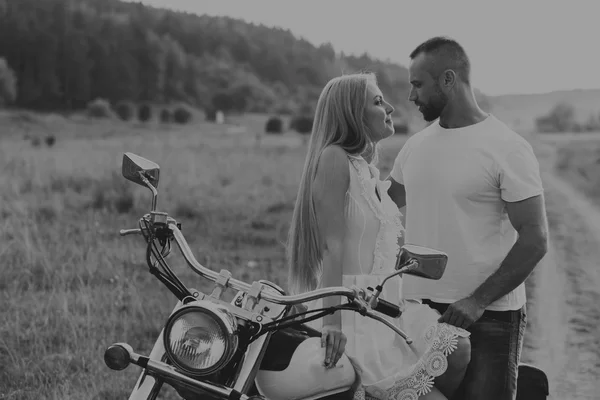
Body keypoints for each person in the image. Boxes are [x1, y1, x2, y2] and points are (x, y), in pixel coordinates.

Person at [286, 72, 471, 400]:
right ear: (351, 114)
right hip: (353, 311)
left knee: (459, 349)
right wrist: (331, 323)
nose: (389, 107)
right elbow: (333, 246)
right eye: (376, 101)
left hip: (387, 306)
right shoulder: (333, 158)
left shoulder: (366, 170)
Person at [386, 36, 549, 400]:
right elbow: (380, 207)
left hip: (488, 319)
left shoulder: (507, 147)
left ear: (448, 80)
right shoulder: (414, 147)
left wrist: (476, 301)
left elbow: (536, 238)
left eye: (417, 84)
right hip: (417, 317)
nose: (411, 97)